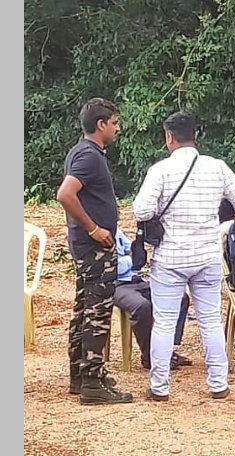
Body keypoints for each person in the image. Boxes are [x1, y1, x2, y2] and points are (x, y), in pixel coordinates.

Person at [133, 112, 235, 401]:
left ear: (169, 137)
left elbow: (141, 211)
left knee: (164, 322)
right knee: (210, 320)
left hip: (171, 257)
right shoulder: (217, 167)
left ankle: (160, 387)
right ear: (195, 135)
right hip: (207, 255)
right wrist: (217, 212)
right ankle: (218, 384)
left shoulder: (160, 170)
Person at [57, 97, 133, 405]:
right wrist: (93, 228)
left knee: (84, 308)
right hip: (94, 248)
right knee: (97, 312)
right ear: (100, 124)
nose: (117, 128)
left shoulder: (84, 152)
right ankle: (92, 381)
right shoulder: (88, 156)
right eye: (114, 123)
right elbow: (65, 194)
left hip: (88, 247)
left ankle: (82, 372)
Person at [113, 226, 192, 370]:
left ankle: (165, 349)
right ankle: (149, 356)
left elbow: (134, 250)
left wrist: (131, 257)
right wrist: (131, 259)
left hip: (137, 279)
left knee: (180, 298)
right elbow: (115, 267)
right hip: (116, 285)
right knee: (141, 306)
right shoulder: (94, 232)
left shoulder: (116, 230)